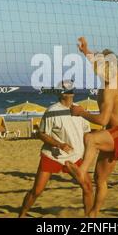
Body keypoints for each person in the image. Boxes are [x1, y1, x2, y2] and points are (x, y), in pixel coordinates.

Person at [66, 37, 118, 218]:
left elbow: (102, 119)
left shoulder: (111, 86)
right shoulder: (111, 78)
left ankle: (81, 170)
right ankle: (94, 214)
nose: (96, 68)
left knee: (90, 138)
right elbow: (99, 61)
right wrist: (86, 51)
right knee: (100, 180)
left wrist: (81, 112)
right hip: (115, 134)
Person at [19, 80, 93, 217]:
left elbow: (87, 134)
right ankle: (22, 214)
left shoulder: (79, 110)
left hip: (74, 156)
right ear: (61, 93)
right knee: (37, 191)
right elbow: (41, 134)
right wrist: (59, 144)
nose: (71, 93)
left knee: (88, 187)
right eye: (67, 91)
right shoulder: (52, 111)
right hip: (53, 155)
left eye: (72, 90)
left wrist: (90, 150)